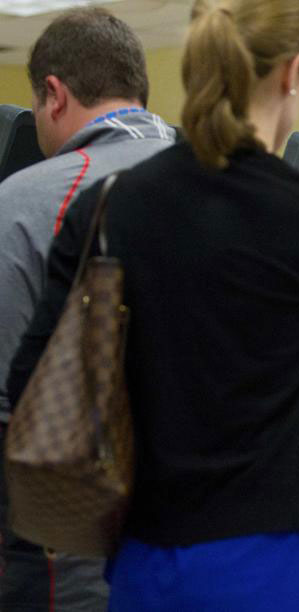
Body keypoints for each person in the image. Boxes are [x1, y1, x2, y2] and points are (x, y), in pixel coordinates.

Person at [5, 0, 299, 610]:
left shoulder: (107, 206)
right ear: (292, 71)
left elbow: (28, 382)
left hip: (147, 557)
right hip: (282, 560)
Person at [0, 8, 174, 610]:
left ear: (53, 94)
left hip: (72, 542)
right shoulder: (237, 182)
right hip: (211, 535)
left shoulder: (26, 199)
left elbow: (8, 390)